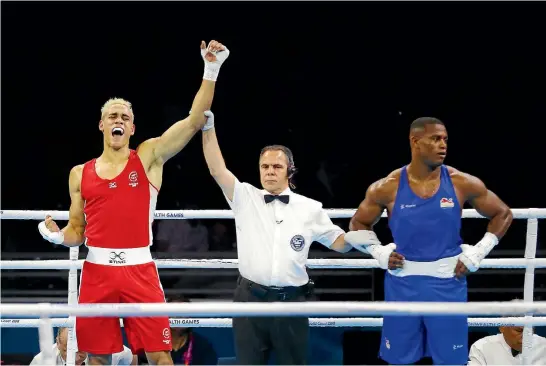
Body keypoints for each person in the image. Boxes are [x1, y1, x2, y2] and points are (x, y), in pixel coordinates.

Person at [36, 40, 230, 365]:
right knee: (97, 358)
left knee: (159, 356)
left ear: (132, 127)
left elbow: (196, 120)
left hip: (140, 269)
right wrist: (55, 236)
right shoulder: (78, 173)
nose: (118, 120)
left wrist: (211, 68)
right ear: (101, 125)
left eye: (125, 117)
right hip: (96, 271)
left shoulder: (149, 157)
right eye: (112, 116)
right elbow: (76, 231)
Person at [345, 117, 513, 365]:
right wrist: (378, 252)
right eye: (435, 139)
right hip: (402, 286)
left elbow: (503, 213)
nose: (442, 145)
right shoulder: (387, 187)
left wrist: (478, 252)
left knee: (451, 360)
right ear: (415, 141)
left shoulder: (461, 182)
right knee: (399, 359)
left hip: (448, 284)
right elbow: (357, 223)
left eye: (445, 139)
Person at [200, 110, 352, 365]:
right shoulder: (246, 197)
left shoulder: (310, 207)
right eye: (265, 166)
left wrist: (364, 239)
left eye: (277, 166)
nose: (270, 172)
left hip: (292, 303)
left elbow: (339, 243)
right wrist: (208, 128)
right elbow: (217, 169)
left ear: (289, 171)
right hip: (249, 301)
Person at [138, 296, 218, 365]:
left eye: (183, 311)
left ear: (190, 316)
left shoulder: (202, 345)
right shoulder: (151, 343)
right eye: (174, 311)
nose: (178, 316)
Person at [30, 327, 137, 365]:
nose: (75, 358)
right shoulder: (41, 361)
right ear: (57, 343)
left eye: (79, 350)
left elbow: (131, 358)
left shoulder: (108, 352)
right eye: (66, 350)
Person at [468, 322, 546, 364]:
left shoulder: (544, 346)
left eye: (529, 331)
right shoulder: (481, 347)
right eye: (519, 330)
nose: (525, 338)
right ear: (502, 327)